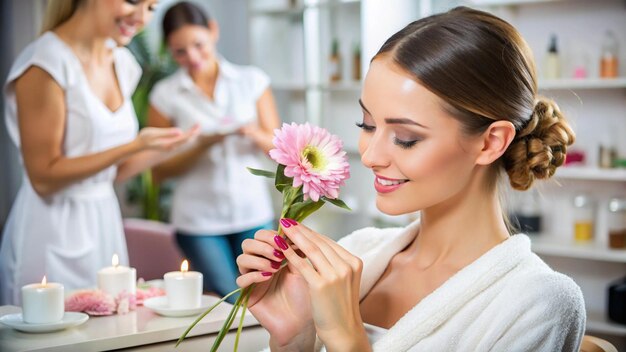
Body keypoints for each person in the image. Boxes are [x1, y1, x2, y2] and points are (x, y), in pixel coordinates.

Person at [236, 6, 585, 351]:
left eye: (406, 138)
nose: (370, 156)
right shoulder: (358, 251)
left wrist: (348, 341)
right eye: (367, 125)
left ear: (490, 142)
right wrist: (295, 338)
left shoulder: (539, 302)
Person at [0, 0, 198, 305]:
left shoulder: (123, 63)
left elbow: (113, 171)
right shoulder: (45, 63)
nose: (141, 18)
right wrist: (134, 145)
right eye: (133, 2)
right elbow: (43, 177)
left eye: (151, 8)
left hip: (104, 222)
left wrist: (168, 147)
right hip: (51, 229)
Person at [147, 2, 280, 303]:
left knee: (265, 297)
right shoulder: (165, 94)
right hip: (198, 222)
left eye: (198, 45)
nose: (192, 57)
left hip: (252, 212)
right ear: (169, 49)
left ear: (213, 32)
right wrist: (202, 144)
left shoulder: (252, 81)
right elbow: (159, 170)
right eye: (179, 51)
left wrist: (252, 132)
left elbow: (278, 150)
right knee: (233, 299)